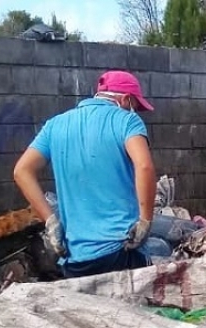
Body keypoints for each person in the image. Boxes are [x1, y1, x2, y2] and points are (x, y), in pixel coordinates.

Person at [13, 70, 158, 279]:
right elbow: (144, 166)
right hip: (122, 249)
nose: (134, 111)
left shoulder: (55, 125)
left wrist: (51, 221)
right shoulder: (127, 121)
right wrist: (145, 221)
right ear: (126, 99)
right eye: (135, 106)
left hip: (76, 259)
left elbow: (21, 171)